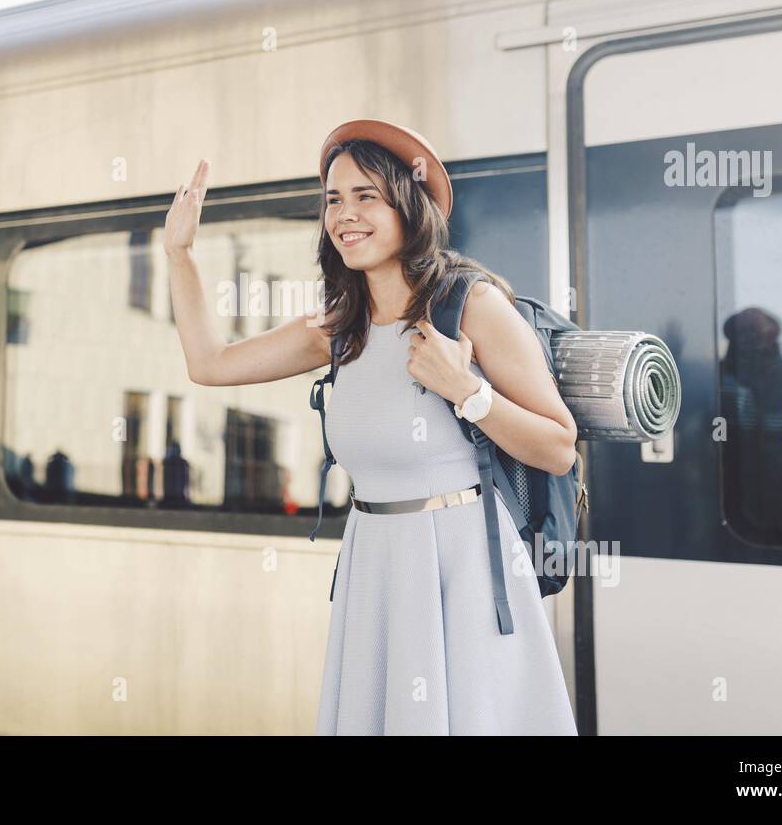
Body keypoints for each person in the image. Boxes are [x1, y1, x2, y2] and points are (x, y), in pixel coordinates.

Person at [163, 119, 578, 735]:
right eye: (333, 199)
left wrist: (466, 391)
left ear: (409, 208)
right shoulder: (338, 328)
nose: (344, 215)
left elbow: (559, 446)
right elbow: (210, 364)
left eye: (366, 197)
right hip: (374, 561)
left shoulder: (472, 306)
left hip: (460, 570)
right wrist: (180, 254)